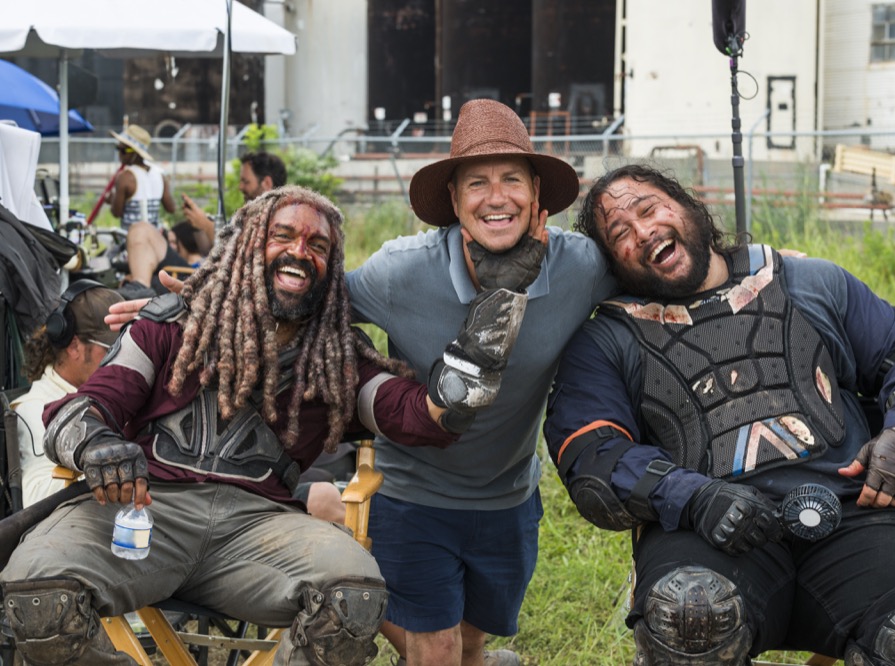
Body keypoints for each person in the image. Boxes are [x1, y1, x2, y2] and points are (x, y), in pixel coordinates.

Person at [105, 100, 620, 666]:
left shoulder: (581, 267)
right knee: (438, 651)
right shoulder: (403, 270)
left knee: (473, 644)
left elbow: (653, 277)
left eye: (511, 180)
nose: (496, 197)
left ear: (538, 195)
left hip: (510, 493)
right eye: (477, 183)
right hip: (413, 490)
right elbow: (303, 292)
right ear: (453, 201)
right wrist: (192, 302)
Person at [0, 185, 524, 665]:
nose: (301, 250)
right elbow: (82, 409)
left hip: (259, 527)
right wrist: (96, 446)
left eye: (318, 245)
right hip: (143, 513)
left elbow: (426, 417)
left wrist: (484, 343)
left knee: (353, 597)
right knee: (38, 595)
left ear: (332, 266)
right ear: (248, 245)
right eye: (283, 235)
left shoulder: (336, 362)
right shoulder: (167, 327)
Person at [543, 164, 895, 665]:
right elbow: (592, 456)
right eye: (620, 234)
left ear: (689, 206)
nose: (643, 231)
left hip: (858, 516)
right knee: (690, 611)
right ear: (613, 263)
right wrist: (694, 496)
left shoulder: (811, 283)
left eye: (649, 209)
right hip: (708, 531)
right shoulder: (606, 340)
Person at [11, 280, 123, 507]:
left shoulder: (117, 394)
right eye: (113, 349)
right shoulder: (35, 409)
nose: (125, 357)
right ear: (74, 347)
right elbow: (35, 496)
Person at [179, 151, 288, 251]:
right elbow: (207, 250)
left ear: (267, 183)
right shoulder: (245, 215)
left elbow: (237, 254)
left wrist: (207, 225)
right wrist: (198, 225)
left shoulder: (278, 219)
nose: (240, 187)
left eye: (246, 182)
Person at [108, 125, 176, 230]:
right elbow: (171, 208)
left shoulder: (124, 177)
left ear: (134, 152)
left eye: (122, 150)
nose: (119, 154)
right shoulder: (160, 174)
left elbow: (117, 213)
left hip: (130, 240)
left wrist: (112, 200)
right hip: (154, 239)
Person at [118, 220, 205, 299]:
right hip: (166, 282)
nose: (171, 246)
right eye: (169, 242)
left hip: (181, 283)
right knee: (138, 228)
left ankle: (140, 285)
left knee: (141, 229)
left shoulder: (196, 262)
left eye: (173, 242)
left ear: (185, 241)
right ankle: (138, 285)